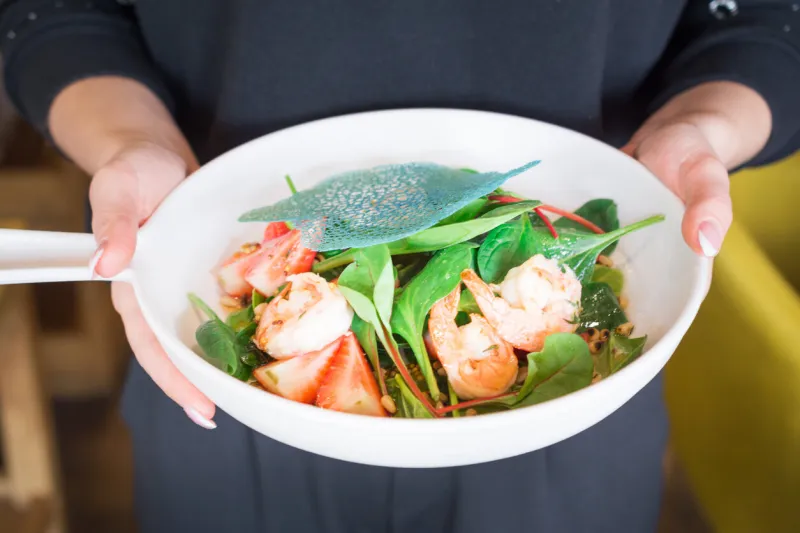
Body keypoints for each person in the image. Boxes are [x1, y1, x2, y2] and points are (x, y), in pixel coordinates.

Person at [2, 1, 798, 532]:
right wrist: (125, 143)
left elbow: (768, 20)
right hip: (223, 418)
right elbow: (55, 13)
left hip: (572, 426)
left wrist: (704, 125)